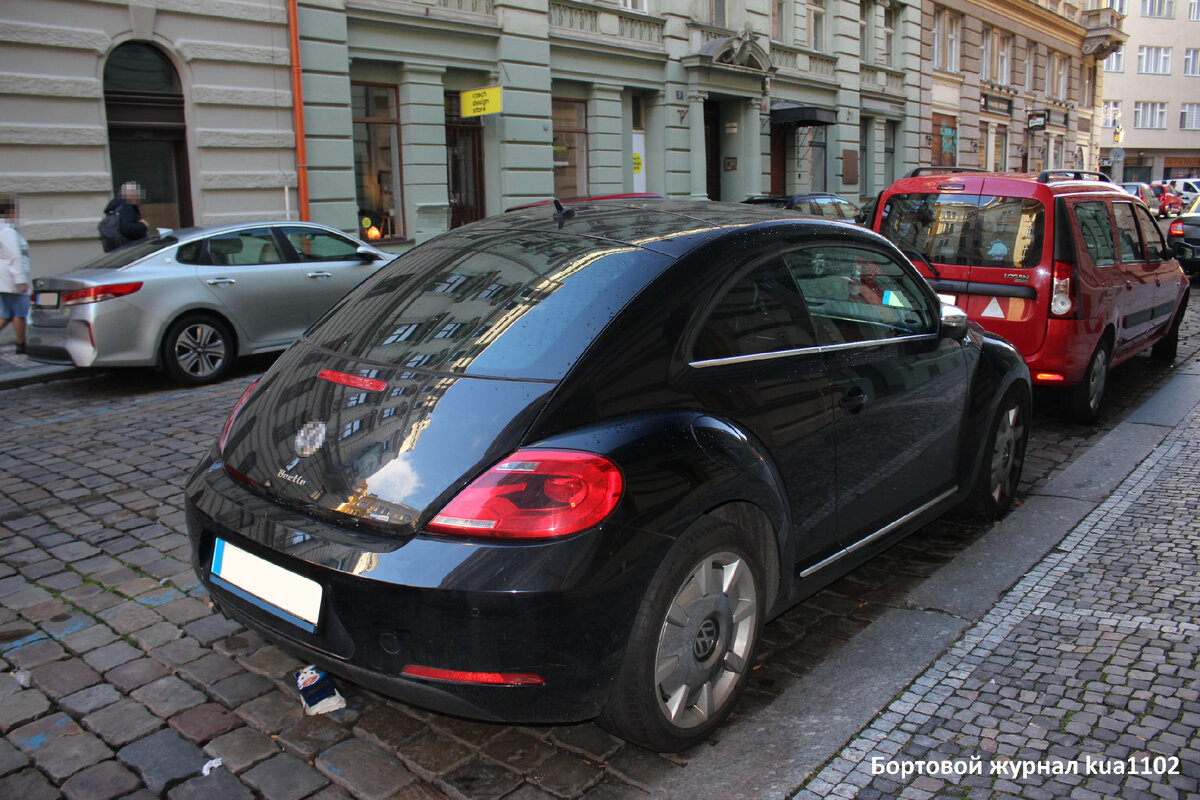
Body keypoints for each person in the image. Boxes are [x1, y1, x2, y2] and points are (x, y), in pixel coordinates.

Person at [0, 195, 30, 354]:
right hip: (11, 278)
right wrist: (21, 280)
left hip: (5, 278)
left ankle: (21, 344)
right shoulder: (7, 230)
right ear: (9, 212)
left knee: (7, 314)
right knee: (20, 312)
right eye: (15, 210)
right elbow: (14, 256)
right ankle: (21, 344)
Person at [99, 181, 149, 252]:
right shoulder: (127, 207)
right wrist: (143, 225)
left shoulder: (114, 209)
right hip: (129, 250)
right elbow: (128, 228)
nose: (139, 197)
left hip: (116, 251)